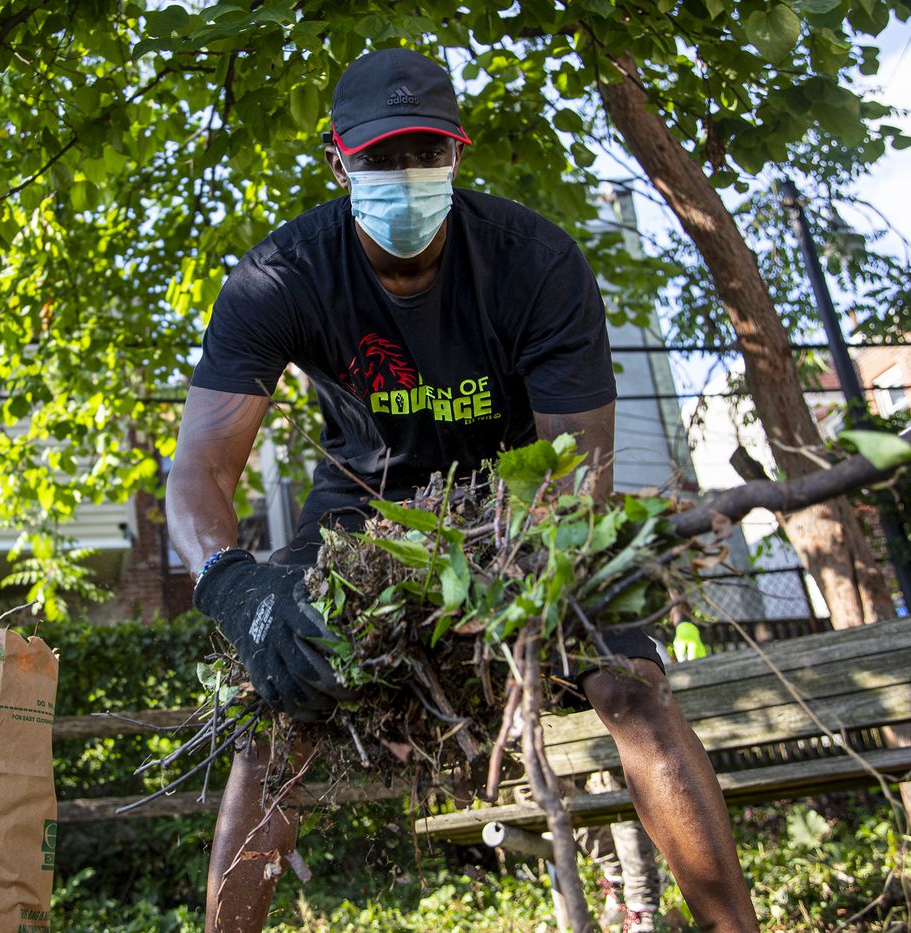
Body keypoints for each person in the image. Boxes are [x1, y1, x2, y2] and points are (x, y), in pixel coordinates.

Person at [166, 47, 759, 933]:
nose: (404, 176)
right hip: (362, 502)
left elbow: (575, 476)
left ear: (457, 153)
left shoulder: (537, 264)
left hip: (518, 503)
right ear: (338, 159)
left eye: (424, 154)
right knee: (274, 710)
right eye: (378, 158)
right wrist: (233, 583)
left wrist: (495, 572)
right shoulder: (280, 275)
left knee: (631, 685)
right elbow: (200, 466)